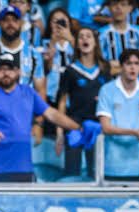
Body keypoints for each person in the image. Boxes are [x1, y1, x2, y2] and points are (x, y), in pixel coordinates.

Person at [0, 53, 81, 182]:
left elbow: (52, 114)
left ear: (18, 71)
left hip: (23, 168)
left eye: (10, 69)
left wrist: (79, 128)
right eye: (1, 69)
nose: (6, 73)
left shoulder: (28, 92)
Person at [57, 26, 111, 179]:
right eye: (81, 36)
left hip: (98, 126)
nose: (85, 39)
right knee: (72, 172)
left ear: (95, 42)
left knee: (96, 172)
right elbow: (62, 102)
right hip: (75, 126)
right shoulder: (70, 70)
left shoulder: (104, 70)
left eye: (88, 36)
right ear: (77, 43)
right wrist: (60, 133)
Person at [97, 49, 139, 181]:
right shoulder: (107, 90)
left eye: (136, 63)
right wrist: (134, 132)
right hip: (110, 164)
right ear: (121, 66)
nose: (133, 68)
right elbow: (106, 128)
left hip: (136, 166)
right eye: (128, 63)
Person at [97, 0, 139, 75]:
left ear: (130, 8)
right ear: (109, 8)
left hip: (137, 81)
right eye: (114, 4)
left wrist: (115, 65)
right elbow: (103, 67)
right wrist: (133, 65)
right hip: (111, 81)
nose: (118, 8)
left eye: (123, 4)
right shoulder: (101, 34)